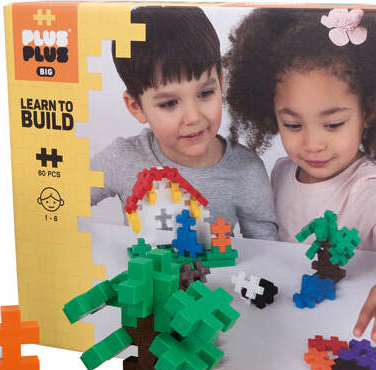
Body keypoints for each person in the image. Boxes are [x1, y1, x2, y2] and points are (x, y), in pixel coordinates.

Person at [225, 8, 376, 341]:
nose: (312, 144)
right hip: (283, 325)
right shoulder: (281, 172)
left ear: (368, 111)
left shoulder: (373, 189)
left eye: (333, 124)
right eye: (293, 125)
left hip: (346, 328)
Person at [91, 6, 278, 240]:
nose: (193, 117)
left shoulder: (247, 170)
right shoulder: (121, 158)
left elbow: (267, 250)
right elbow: (60, 199)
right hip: (147, 264)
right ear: (136, 107)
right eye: (169, 103)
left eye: (205, 93)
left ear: (221, 83)